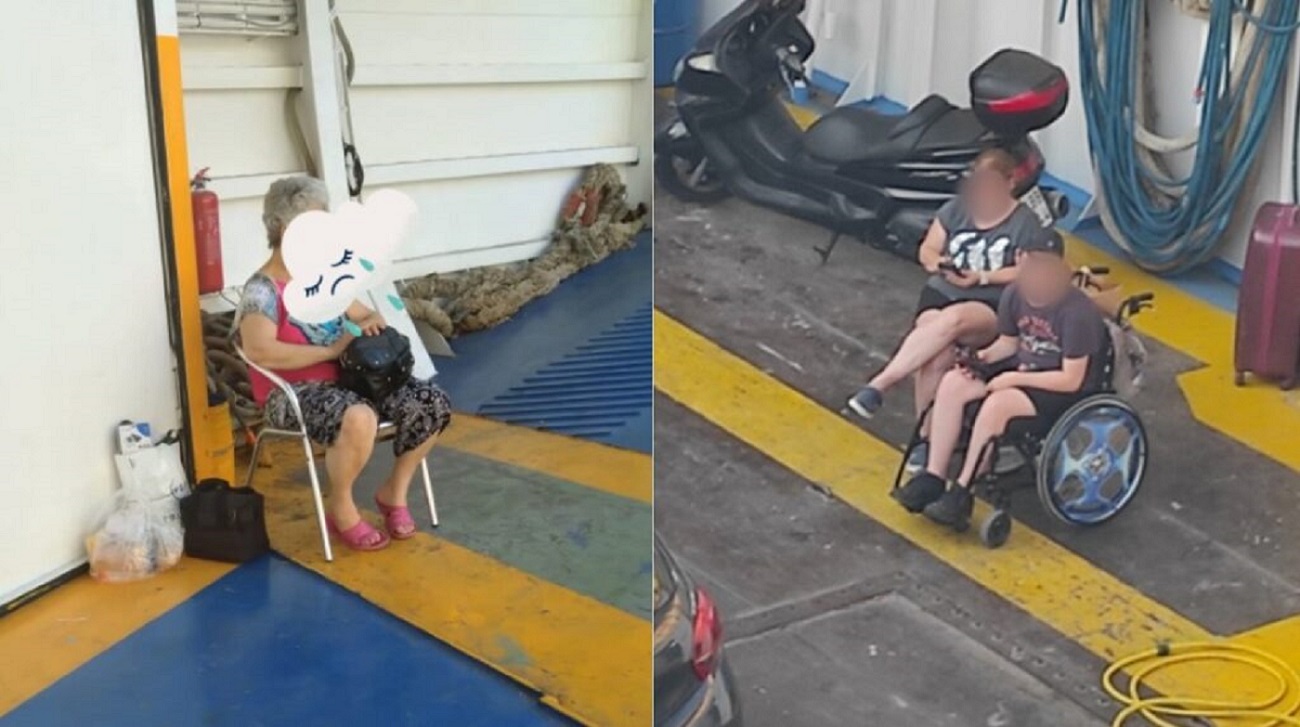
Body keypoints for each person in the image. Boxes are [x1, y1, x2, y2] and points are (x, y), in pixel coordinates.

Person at [237, 176, 452, 552]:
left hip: (351, 380)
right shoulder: (262, 290)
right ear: (287, 230)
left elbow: (364, 313)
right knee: (358, 418)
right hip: (290, 393)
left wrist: (369, 323)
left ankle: (394, 493)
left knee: (431, 402)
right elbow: (260, 352)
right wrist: (331, 351)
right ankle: (342, 508)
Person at [893, 230, 1107, 530]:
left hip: (1057, 389)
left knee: (998, 404)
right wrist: (978, 359)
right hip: (1020, 371)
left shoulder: (1076, 313)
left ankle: (963, 489)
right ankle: (933, 475)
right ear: (1021, 260)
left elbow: (1072, 379)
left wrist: (1013, 379)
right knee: (954, 382)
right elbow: (1008, 343)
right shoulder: (1015, 295)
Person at [846, 148, 1044, 469]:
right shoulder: (957, 209)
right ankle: (926, 438)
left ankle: (882, 383)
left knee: (953, 320)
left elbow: (1028, 271)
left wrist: (981, 277)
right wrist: (939, 263)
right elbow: (928, 248)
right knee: (937, 354)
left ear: (1009, 184)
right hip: (943, 290)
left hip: (989, 300)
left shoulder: (1025, 223)